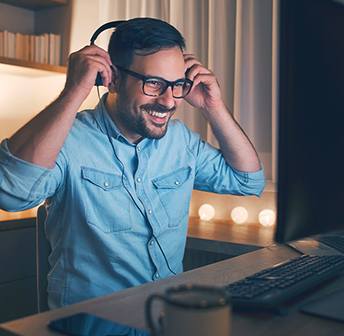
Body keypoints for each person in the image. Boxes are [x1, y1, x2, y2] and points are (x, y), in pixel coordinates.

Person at [0, 18, 265, 309]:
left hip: (167, 319)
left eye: (178, 85)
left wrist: (212, 106)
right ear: (111, 78)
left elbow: (248, 181)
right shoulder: (68, 139)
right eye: (154, 83)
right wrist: (74, 90)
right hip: (96, 326)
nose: (169, 101)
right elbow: (12, 195)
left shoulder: (181, 141)